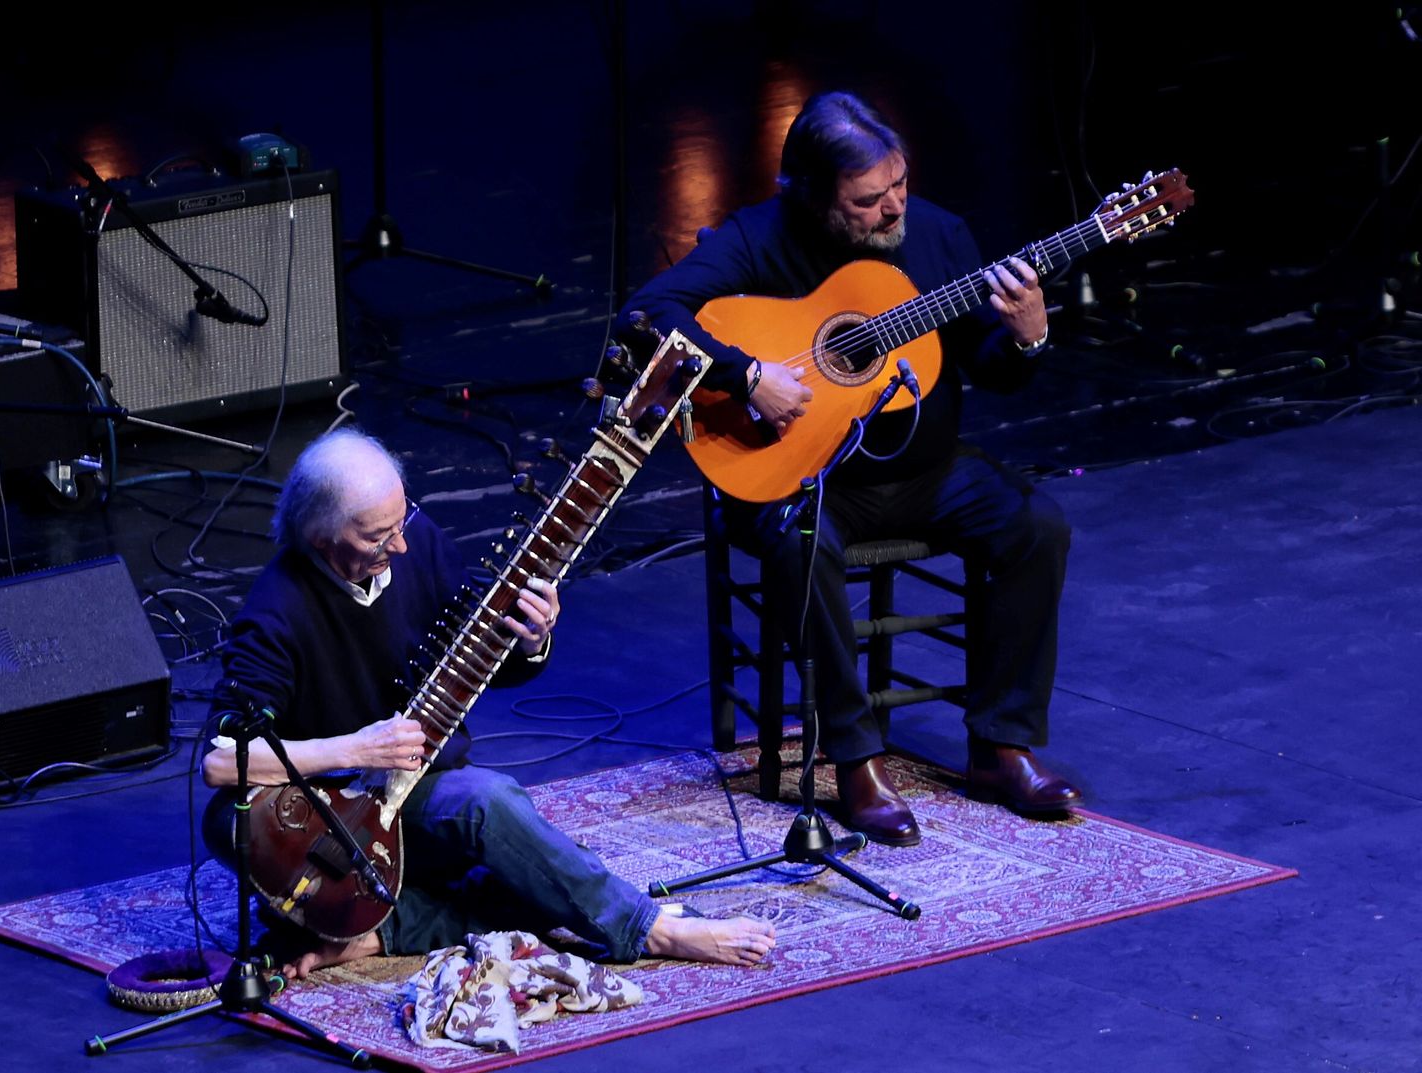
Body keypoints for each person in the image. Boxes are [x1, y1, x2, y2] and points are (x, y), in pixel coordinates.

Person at [621, 90, 1083, 847]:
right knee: (803, 542)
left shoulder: (936, 236)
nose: (894, 208)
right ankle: (855, 760)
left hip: (925, 468)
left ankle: (1002, 746)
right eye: (869, 200)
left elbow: (988, 367)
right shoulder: (755, 241)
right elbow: (645, 320)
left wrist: (1027, 338)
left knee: (1037, 523)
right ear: (808, 193)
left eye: (899, 184)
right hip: (803, 480)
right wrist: (746, 377)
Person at [202, 428, 776, 977]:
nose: (399, 545)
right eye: (377, 538)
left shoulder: (414, 540)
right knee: (506, 829)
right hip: (332, 823)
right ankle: (651, 930)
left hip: (417, 791)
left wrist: (531, 639)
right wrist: (356, 748)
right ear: (321, 534)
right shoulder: (273, 614)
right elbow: (222, 763)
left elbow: (478, 658)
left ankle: (390, 928)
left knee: (516, 840)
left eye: (400, 524)